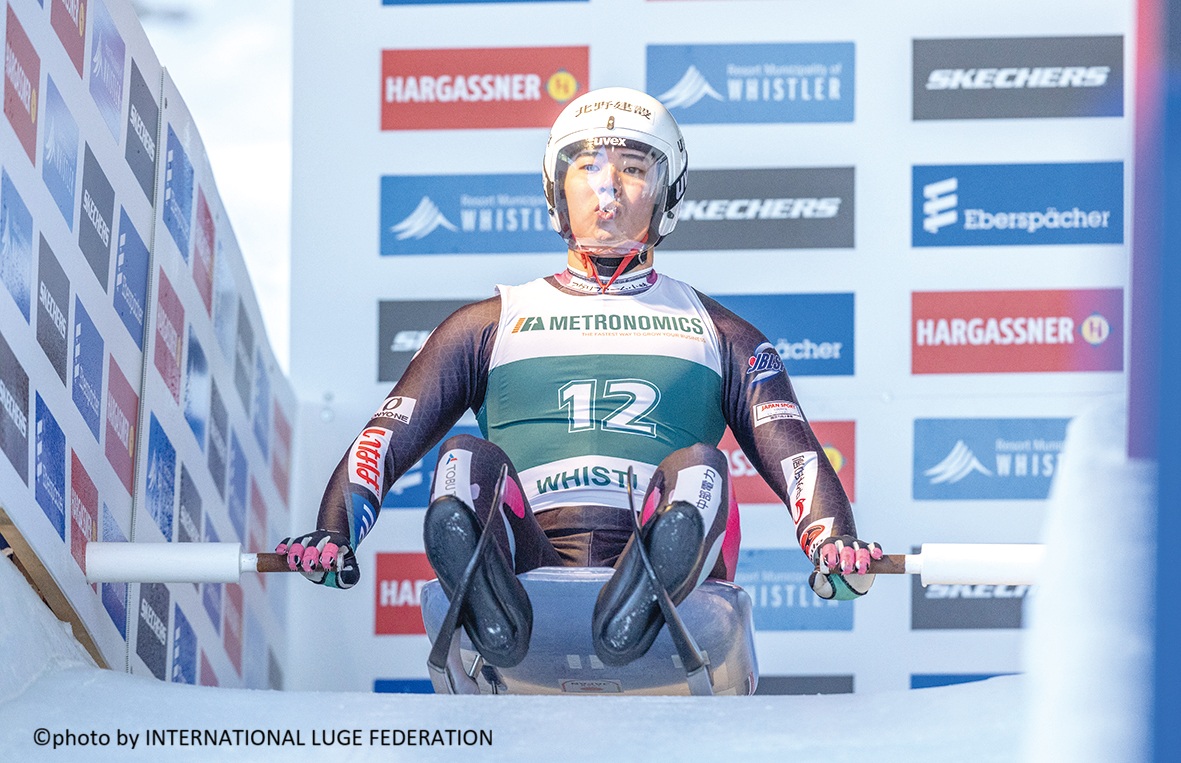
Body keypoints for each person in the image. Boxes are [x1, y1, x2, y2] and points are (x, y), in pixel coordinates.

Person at [278, 86, 881, 670]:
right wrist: (334, 533)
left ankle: (637, 601)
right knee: (462, 461)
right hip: (528, 564)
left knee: (701, 468)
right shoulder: (486, 324)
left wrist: (833, 544)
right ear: (556, 192)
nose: (607, 191)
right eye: (588, 168)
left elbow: (795, 453)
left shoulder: (723, 333)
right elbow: (386, 437)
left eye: (634, 170)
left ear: (668, 194)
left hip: (670, 575)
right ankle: (500, 614)